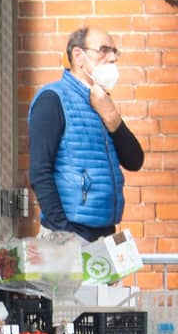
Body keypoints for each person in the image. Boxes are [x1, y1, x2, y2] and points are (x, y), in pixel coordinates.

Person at [28, 25, 144, 240]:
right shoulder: (53, 99)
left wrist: (112, 117)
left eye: (114, 52)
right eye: (103, 50)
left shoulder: (101, 101)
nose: (111, 59)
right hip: (68, 232)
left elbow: (135, 160)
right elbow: (39, 171)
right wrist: (63, 232)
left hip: (105, 231)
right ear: (78, 56)